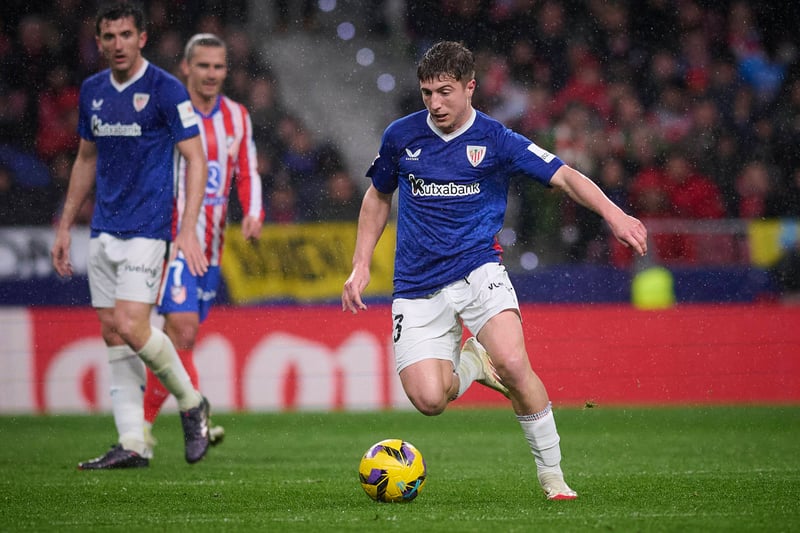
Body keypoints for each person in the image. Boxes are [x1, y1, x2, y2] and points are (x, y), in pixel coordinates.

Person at [341, 41, 648, 500]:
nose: (435, 103)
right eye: (427, 93)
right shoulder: (401, 136)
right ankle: (472, 362)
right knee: (430, 400)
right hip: (417, 285)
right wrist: (361, 263)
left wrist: (614, 215)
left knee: (514, 363)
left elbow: (564, 175)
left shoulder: (496, 140)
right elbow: (378, 196)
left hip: (478, 271)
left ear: (470, 87)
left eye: (445, 92)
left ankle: (553, 477)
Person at [50, 2, 211, 469]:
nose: (117, 44)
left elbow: (196, 159)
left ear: (142, 38)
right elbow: (85, 158)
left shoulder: (165, 89)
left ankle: (191, 402)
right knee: (112, 333)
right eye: (109, 36)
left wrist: (186, 229)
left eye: (126, 35)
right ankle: (132, 443)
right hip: (103, 229)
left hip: (148, 227)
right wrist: (65, 225)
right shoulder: (93, 90)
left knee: (131, 324)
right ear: (98, 42)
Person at [142, 33, 264, 453]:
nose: (211, 74)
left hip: (212, 246)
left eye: (218, 66)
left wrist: (253, 212)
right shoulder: (169, 113)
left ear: (226, 70)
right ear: (186, 68)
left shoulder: (237, 116)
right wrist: (177, 229)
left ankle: (139, 430)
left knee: (174, 341)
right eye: (203, 65)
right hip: (174, 240)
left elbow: (247, 170)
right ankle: (194, 412)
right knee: (183, 329)